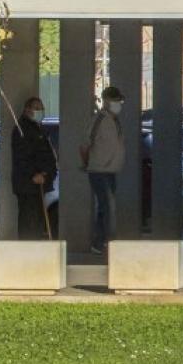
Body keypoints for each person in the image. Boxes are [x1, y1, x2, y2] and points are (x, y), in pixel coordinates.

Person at [80, 85, 126, 254]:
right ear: (106, 101)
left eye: (119, 101)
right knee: (107, 205)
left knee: (106, 207)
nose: (119, 104)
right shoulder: (99, 120)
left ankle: (102, 241)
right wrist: (87, 164)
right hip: (99, 170)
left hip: (111, 170)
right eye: (115, 101)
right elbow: (84, 146)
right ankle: (101, 242)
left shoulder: (115, 121)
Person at [12, 95, 59, 239]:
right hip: (29, 184)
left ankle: (35, 246)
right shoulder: (22, 129)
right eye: (36, 108)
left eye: (41, 108)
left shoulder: (38, 128)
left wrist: (47, 173)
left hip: (40, 183)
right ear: (28, 109)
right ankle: (27, 249)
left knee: (38, 219)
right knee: (29, 220)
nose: (40, 111)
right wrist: (34, 175)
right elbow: (22, 157)